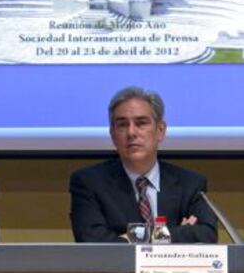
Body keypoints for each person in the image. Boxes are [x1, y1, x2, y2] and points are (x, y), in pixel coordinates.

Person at [69, 87, 217, 243]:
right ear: (112, 135)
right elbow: (93, 243)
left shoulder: (190, 184)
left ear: (160, 130)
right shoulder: (89, 183)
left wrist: (130, 237)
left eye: (141, 123)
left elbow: (206, 235)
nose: (131, 132)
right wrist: (175, 234)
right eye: (122, 125)